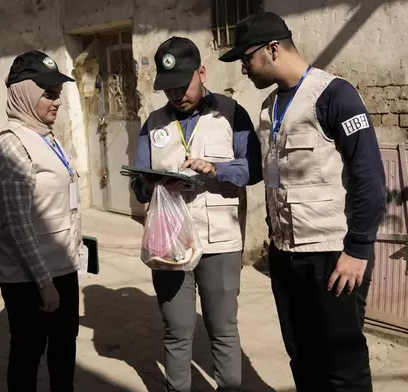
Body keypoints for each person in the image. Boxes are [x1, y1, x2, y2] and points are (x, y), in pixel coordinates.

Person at [218, 12, 387, 392]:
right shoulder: (267, 109)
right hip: (285, 255)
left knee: (342, 366)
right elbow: (266, 171)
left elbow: (371, 181)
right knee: (302, 356)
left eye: (246, 58)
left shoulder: (335, 95)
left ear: (273, 48)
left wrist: (358, 249)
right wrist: (215, 170)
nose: (243, 68)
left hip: (333, 255)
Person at [130, 36, 262, 392]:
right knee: (177, 330)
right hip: (168, 241)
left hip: (220, 240)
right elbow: (140, 186)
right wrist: (148, 185)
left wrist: (217, 170)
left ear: (201, 73)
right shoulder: (153, 124)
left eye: (182, 85)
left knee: (222, 329)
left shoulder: (231, 113)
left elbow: (254, 167)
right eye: (168, 88)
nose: (176, 95)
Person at [0, 50, 82, 392]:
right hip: (30, 278)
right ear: (24, 93)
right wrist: (44, 284)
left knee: (63, 353)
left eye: (58, 93)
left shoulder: (47, 137)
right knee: (28, 354)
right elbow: (18, 225)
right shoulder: (10, 146)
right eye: (48, 93)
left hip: (62, 268)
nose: (56, 101)